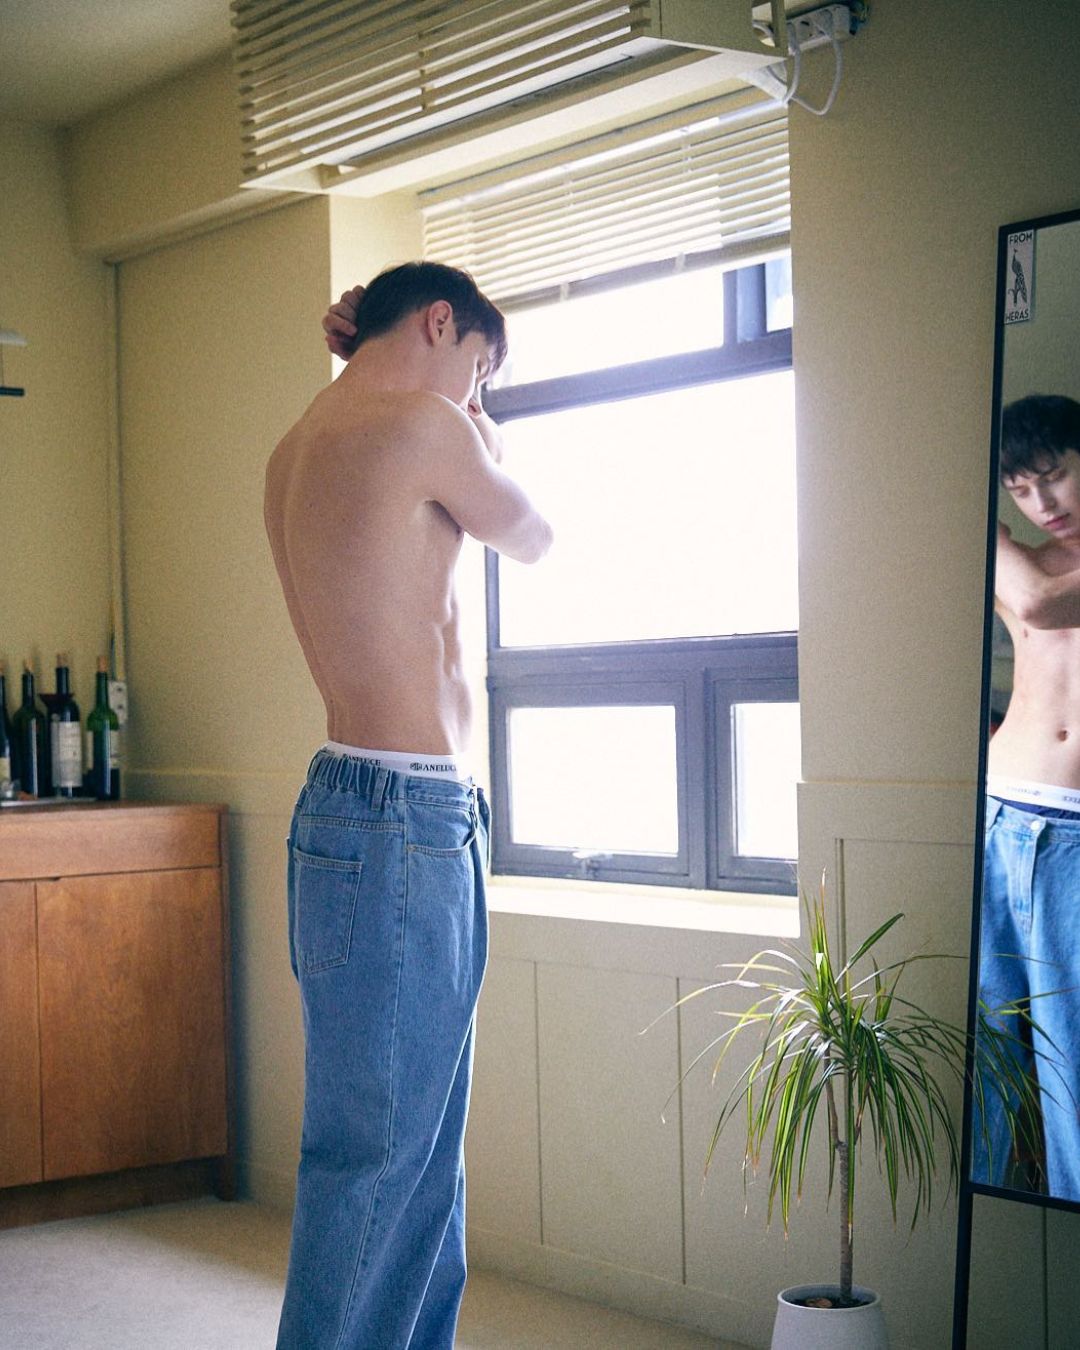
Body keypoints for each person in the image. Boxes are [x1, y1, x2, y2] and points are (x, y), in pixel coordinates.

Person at [264, 262, 553, 1348]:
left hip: (350, 807)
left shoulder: (297, 444)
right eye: (480, 368)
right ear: (441, 322)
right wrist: (475, 416)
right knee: (388, 1154)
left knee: (407, 1148)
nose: (477, 396)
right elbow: (533, 536)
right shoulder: (430, 429)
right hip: (408, 818)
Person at [976, 393, 1080, 1198]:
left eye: (1055, 475)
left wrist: (995, 535)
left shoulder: (1030, 577)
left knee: (1069, 1065)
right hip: (998, 814)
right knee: (983, 1052)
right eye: (1018, 489)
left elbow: (1041, 607)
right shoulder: (1024, 562)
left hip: (1073, 839)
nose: (1042, 502)